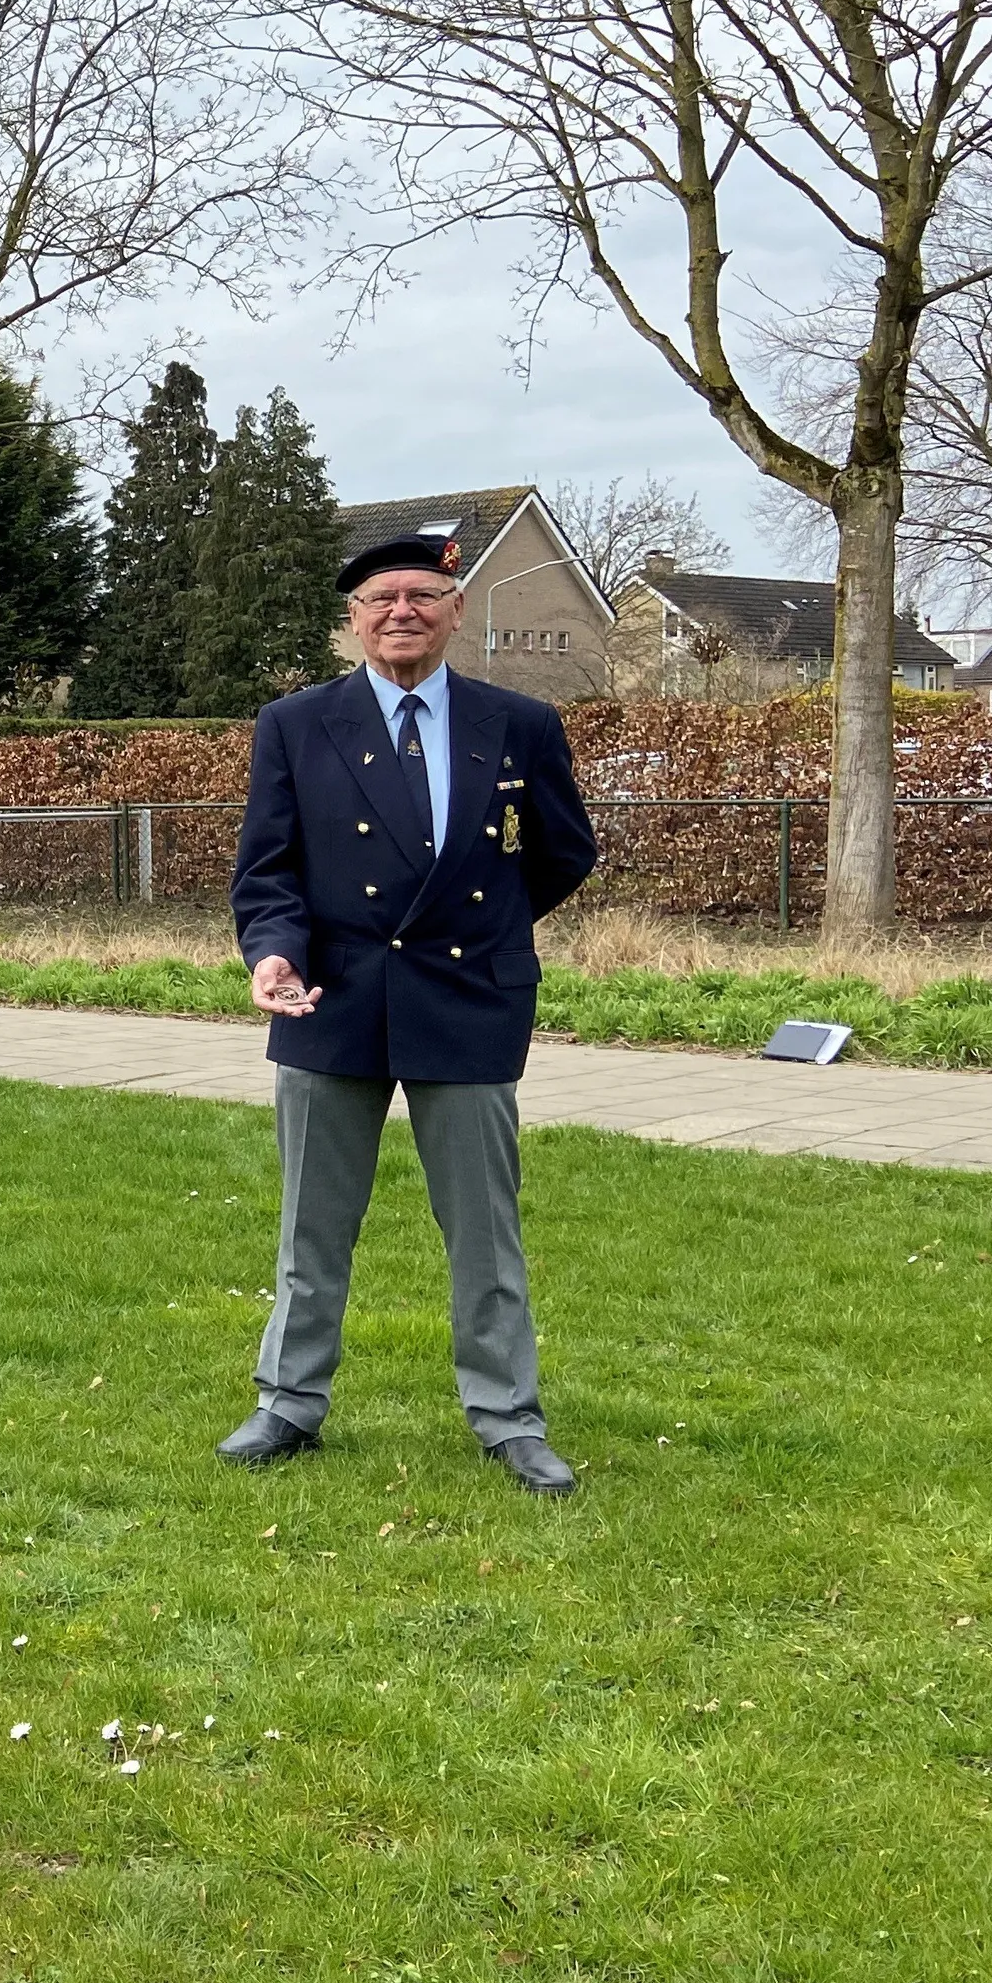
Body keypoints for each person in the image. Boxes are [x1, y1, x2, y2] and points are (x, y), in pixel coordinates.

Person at [222, 531, 598, 1495]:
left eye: (422, 596)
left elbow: (561, 853)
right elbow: (267, 872)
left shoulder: (518, 722)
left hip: (468, 995)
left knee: (484, 1228)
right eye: (381, 597)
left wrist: (488, 929)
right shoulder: (295, 724)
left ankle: (507, 1417)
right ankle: (288, 1404)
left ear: (455, 608)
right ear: (352, 618)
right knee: (312, 1223)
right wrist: (273, 953)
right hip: (331, 998)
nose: (402, 612)